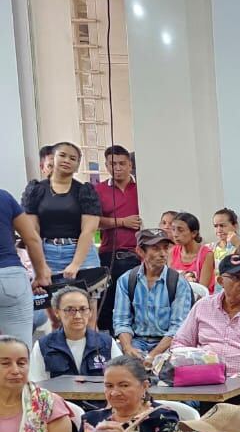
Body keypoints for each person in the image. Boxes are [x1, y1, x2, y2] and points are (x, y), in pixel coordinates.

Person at [172, 253, 240, 378]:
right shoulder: (203, 306)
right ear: (220, 281)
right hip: (204, 380)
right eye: (237, 278)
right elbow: (181, 342)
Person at [21, 141, 102, 285]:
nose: (67, 161)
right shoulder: (36, 190)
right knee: (49, 303)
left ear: (77, 165)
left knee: (86, 303)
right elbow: (32, 232)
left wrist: (76, 264)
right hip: (46, 253)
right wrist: (40, 266)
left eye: (73, 158)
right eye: (62, 155)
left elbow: (89, 231)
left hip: (81, 253)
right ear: (53, 158)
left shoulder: (85, 191)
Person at [112, 227, 194, 365]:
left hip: (169, 345)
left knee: (167, 368)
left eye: (165, 248)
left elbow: (178, 328)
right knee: (121, 366)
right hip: (137, 341)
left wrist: (153, 356)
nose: (163, 254)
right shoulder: (126, 280)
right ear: (140, 251)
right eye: (155, 248)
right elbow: (121, 321)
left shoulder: (178, 283)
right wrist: (128, 348)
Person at [30, 285, 121, 381]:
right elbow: (36, 384)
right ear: (57, 313)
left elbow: (121, 378)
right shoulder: (43, 345)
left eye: (83, 309)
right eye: (69, 310)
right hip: (56, 395)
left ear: (90, 312)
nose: (77, 315)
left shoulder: (107, 343)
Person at [95, 145, 141, 326]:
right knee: (106, 303)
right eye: (113, 164)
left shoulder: (142, 187)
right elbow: (93, 221)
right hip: (110, 255)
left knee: (137, 303)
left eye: (122, 163)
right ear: (106, 166)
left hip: (140, 255)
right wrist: (122, 222)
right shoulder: (98, 190)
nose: (118, 168)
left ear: (130, 165)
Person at [1, 187, 50, 341]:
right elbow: (32, 238)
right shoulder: (4, 197)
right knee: (20, 350)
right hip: (11, 277)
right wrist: (41, 275)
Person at [167, 212, 214, 291]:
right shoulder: (172, 252)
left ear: (194, 233)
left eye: (180, 230)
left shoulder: (206, 254)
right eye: (173, 229)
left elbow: (202, 290)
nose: (175, 234)